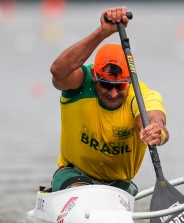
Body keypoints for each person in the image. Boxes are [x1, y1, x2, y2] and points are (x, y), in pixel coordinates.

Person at [49, 6, 169, 196]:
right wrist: (103, 32)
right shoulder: (82, 83)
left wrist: (156, 131)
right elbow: (58, 71)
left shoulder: (140, 94)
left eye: (120, 86)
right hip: (73, 174)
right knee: (84, 193)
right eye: (106, 84)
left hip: (119, 184)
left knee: (110, 195)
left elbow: (154, 118)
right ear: (95, 77)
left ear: (129, 81)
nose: (113, 93)